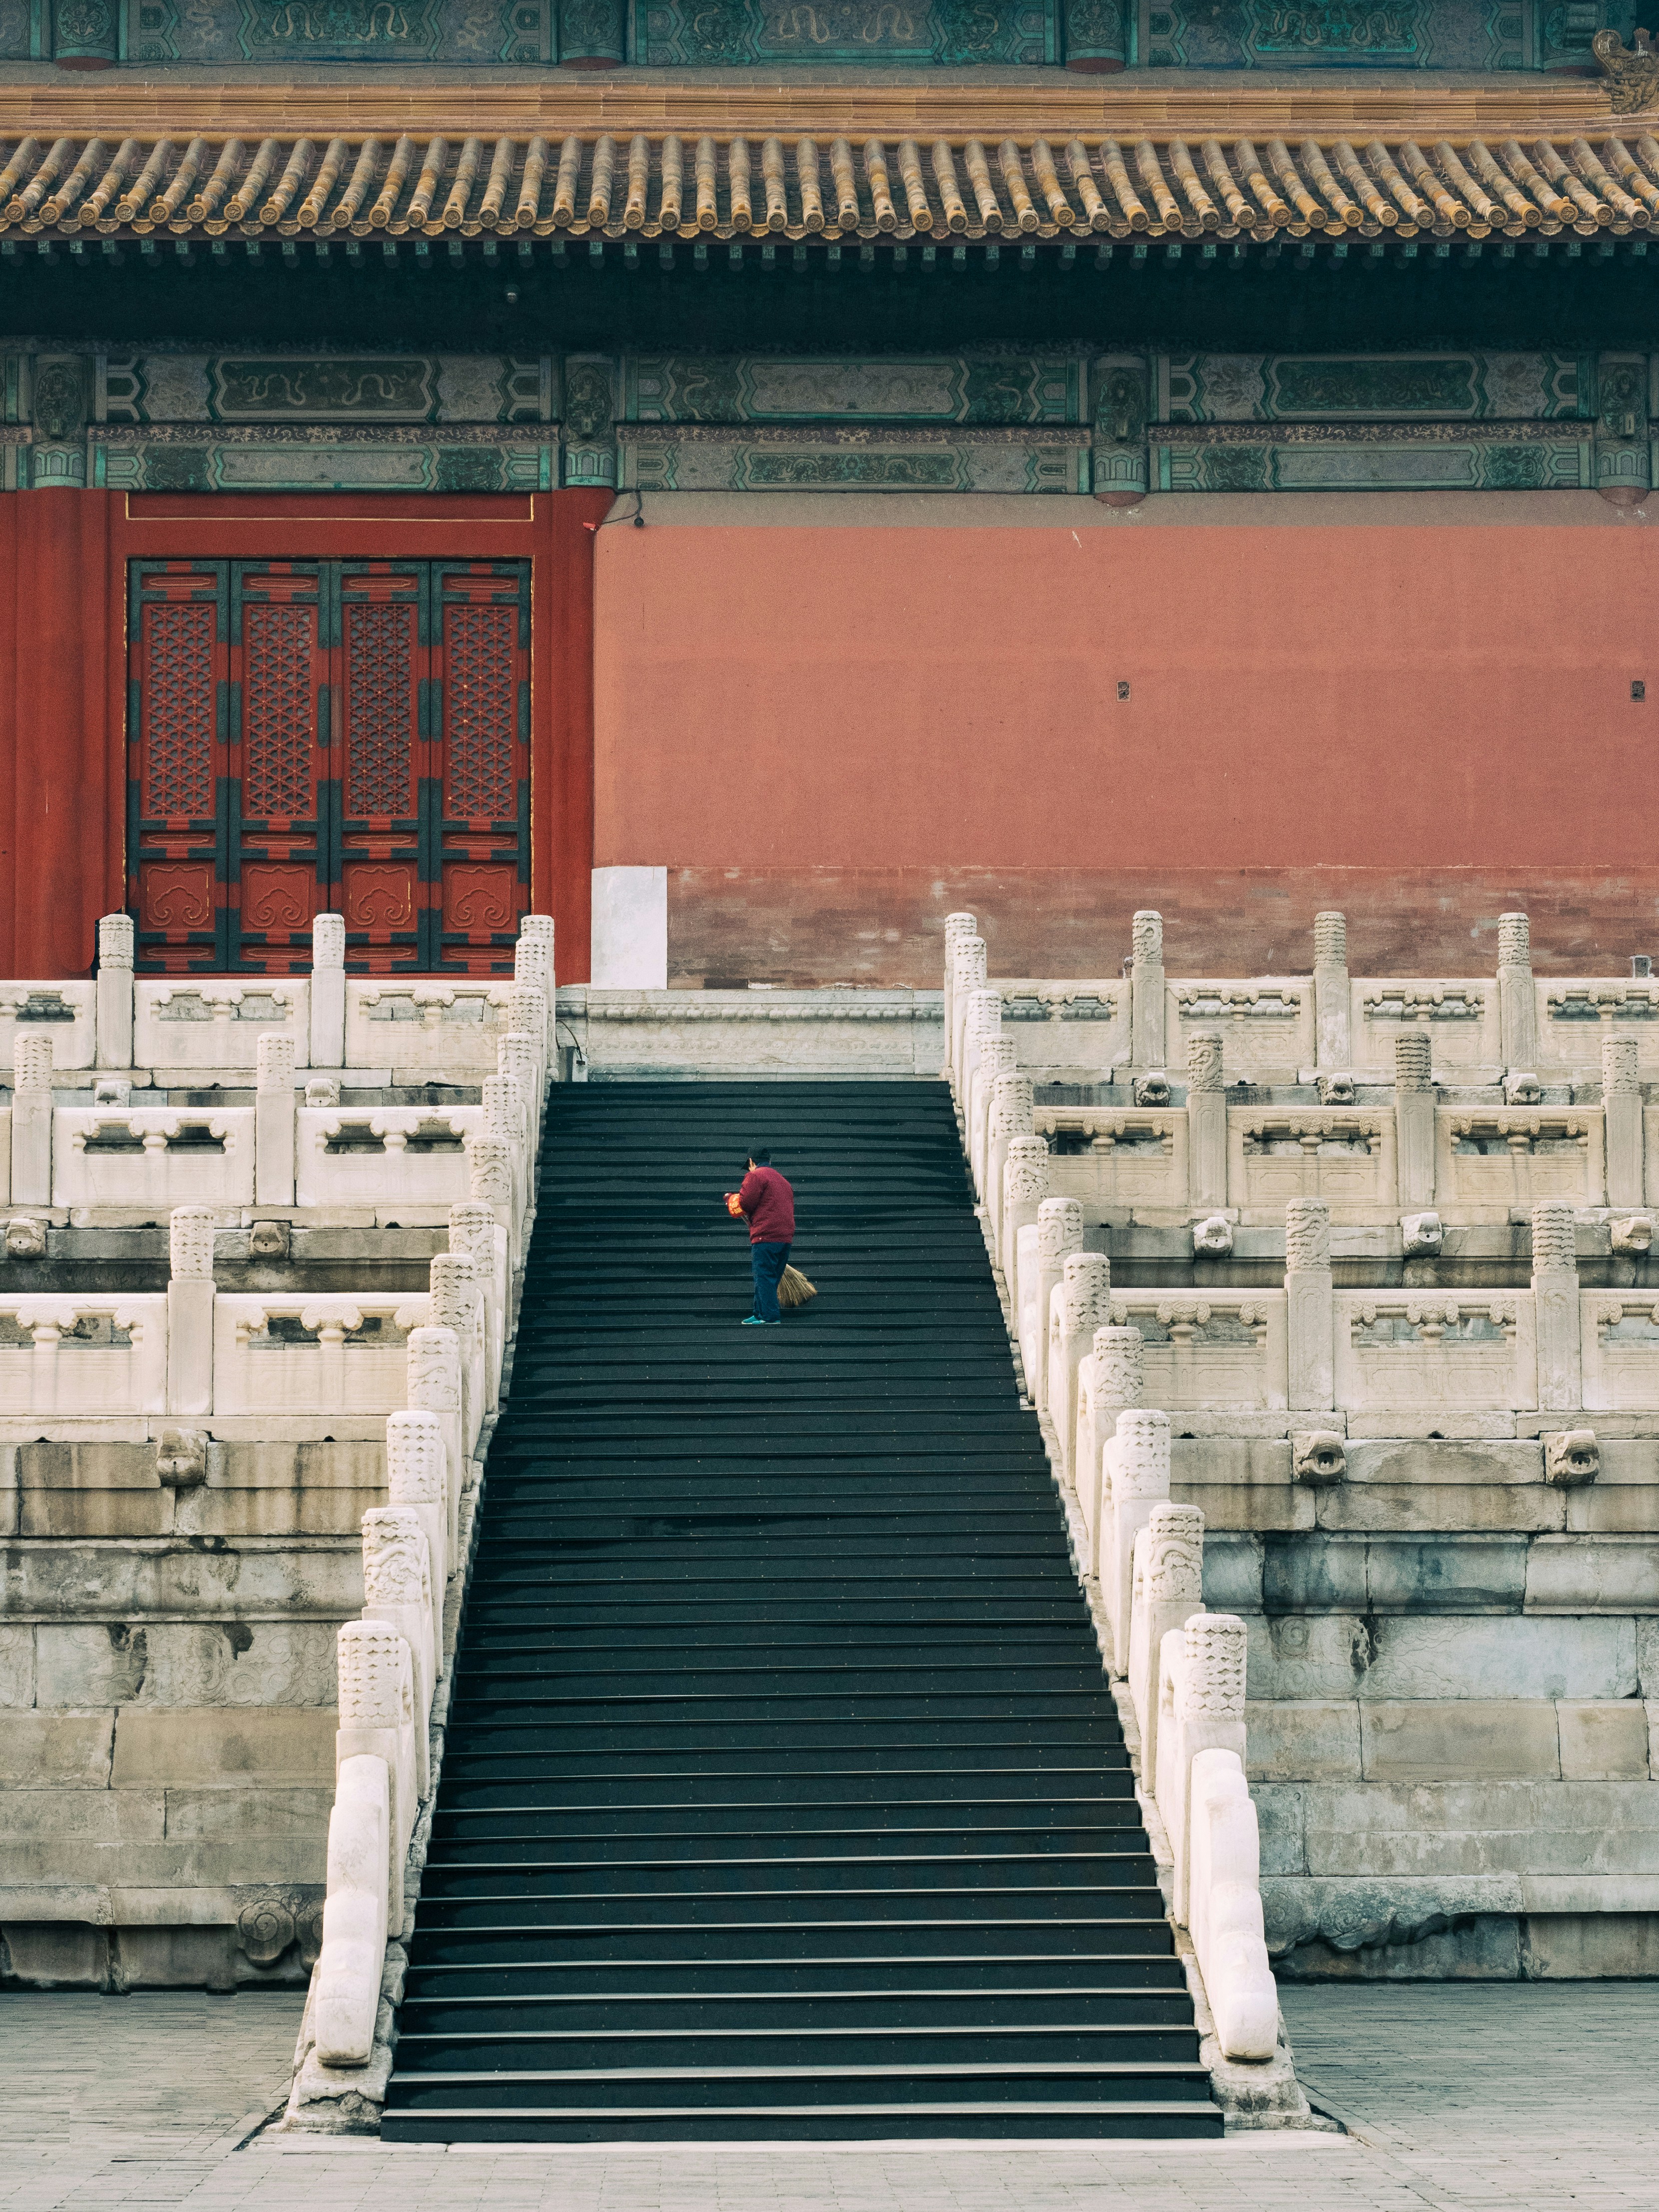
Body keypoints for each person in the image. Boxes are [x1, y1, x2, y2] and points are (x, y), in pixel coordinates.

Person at [730, 1148, 795, 1327]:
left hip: (765, 1236)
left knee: (764, 1276)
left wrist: (734, 1201)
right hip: (785, 1237)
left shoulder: (756, 1176)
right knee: (771, 1277)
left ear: (752, 1162)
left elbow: (746, 1202)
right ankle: (759, 1313)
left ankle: (769, 1316)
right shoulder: (783, 1180)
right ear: (770, 1161)